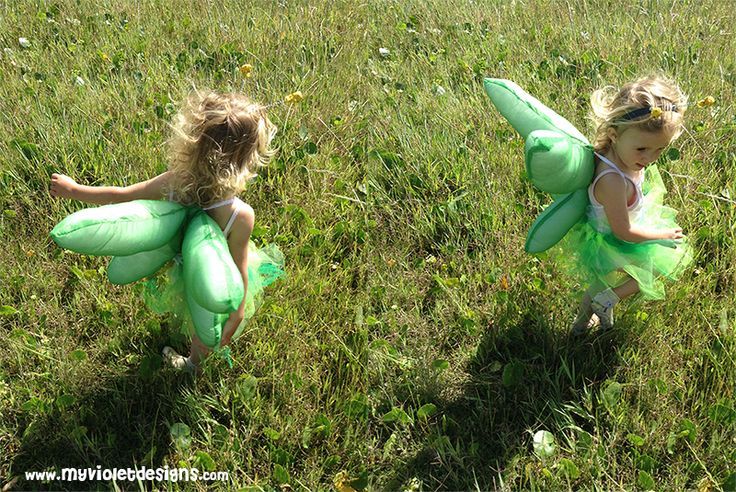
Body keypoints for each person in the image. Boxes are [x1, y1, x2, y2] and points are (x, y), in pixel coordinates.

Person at [50, 90, 284, 371]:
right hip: (208, 275)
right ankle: (197, 360)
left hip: (197, 270)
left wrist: (74, 190)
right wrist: (236, 311)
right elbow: (238, 268)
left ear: (191, 144)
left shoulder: (174, 183)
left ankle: (193, 365)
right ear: (245, 161)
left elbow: (122, 195)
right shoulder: (240, 215)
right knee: (205, 323)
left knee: (200, 314)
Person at [566, 75, 693, 335]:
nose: (650, 158)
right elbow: (624, 231)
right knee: (662, 264)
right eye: (642, 149)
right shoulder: (612, 180)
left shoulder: (624, 157)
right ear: (614, 135)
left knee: (598, 284)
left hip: (618, 228)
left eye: (660, 149)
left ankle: (586, 320)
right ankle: (606, 301)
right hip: (613, 238)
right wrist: (661, 235)